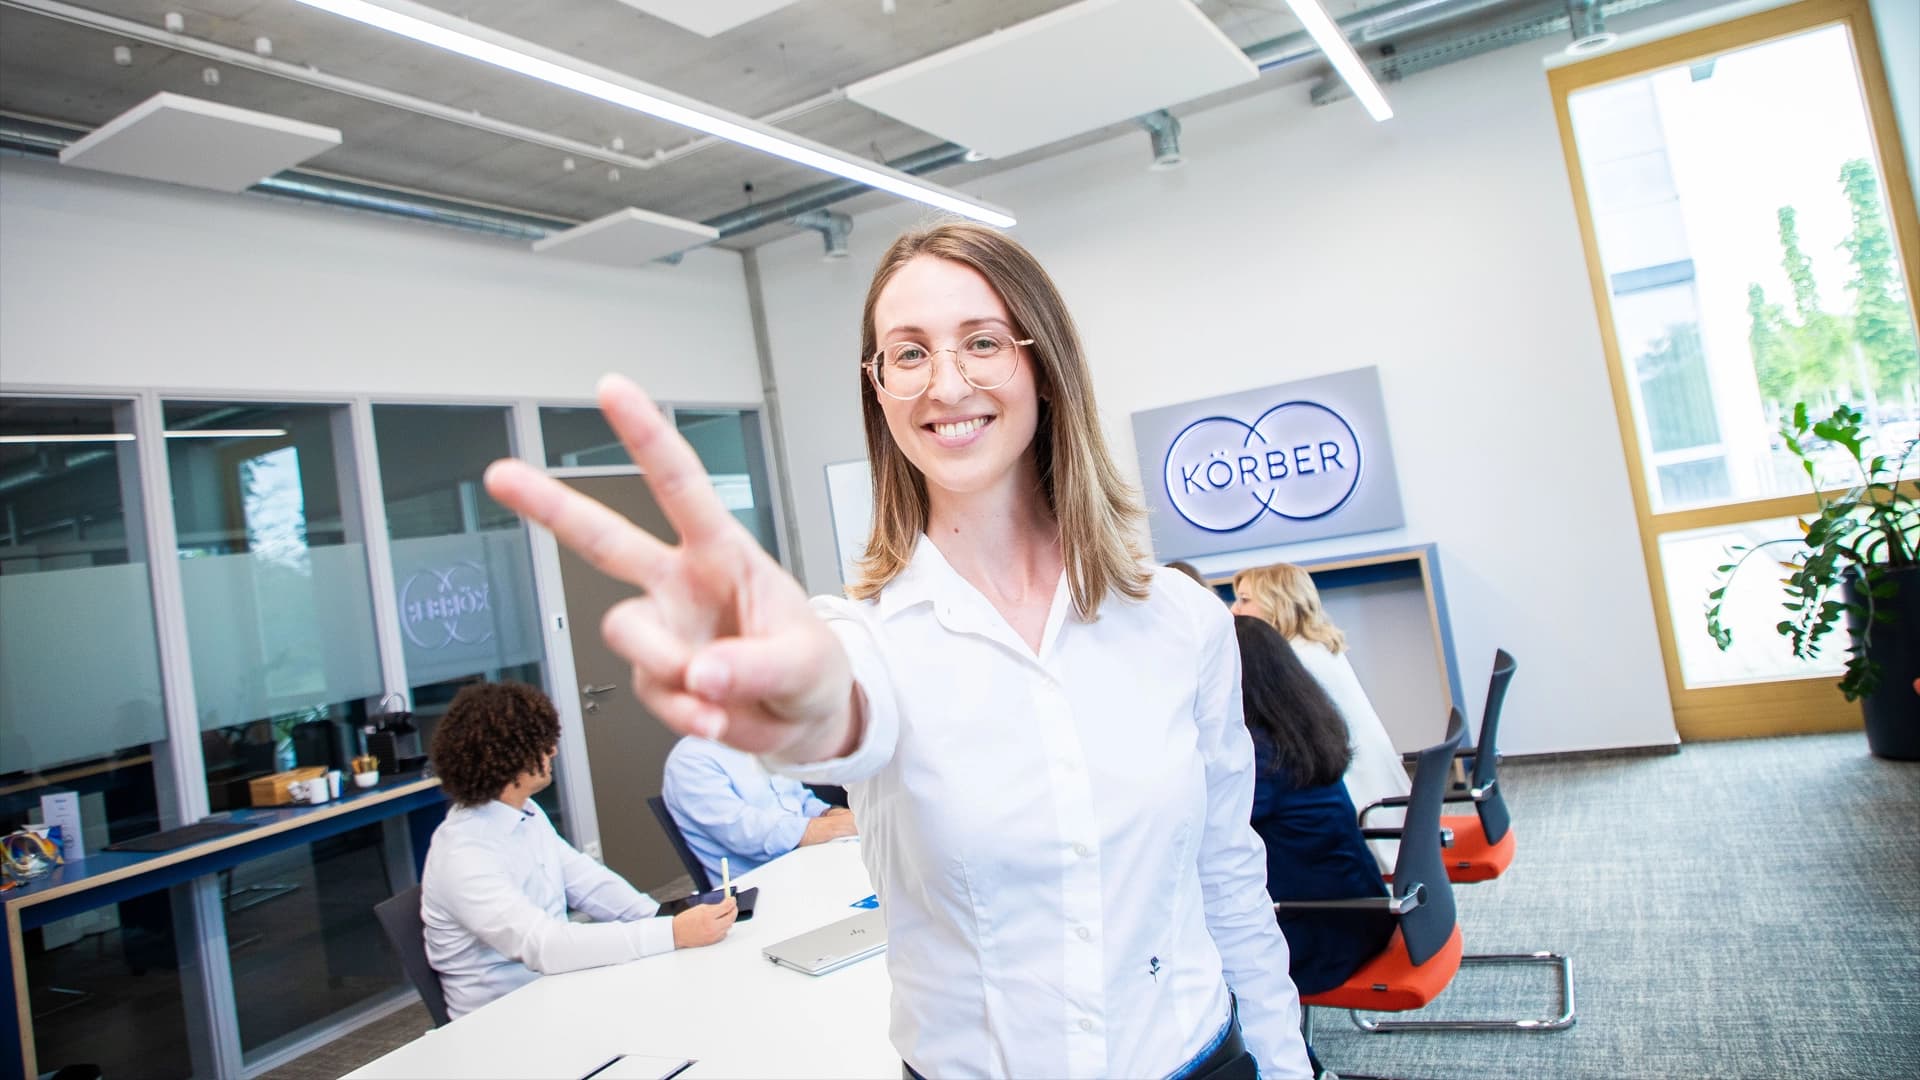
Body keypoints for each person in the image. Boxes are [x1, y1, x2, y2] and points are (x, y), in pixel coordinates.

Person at [485, 223, 1313, 1077]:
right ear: (878, 388)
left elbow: (1227, 878)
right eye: (907, 354)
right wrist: (794, 693)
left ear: (1044, 364)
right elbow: (841, 714)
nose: (945, 384)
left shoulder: (1179, 619)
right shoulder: (866, 638)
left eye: (982, 342)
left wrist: (1289, 1067)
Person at [419, 681, 736, 1019]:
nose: (552, 752)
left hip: (558, 991)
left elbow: (590, 884)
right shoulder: (464, 855)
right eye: (541, 744)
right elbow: (545, 945)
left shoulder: (526, 812)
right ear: (507, 759)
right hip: (505, 1022)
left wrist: (661, 918)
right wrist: (671, 933)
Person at [1235, 615, 1394, 995]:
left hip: (1325, 935)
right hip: (1360, 911)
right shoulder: (1304, 723)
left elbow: (1218, 829)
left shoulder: (1261, 754)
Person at [1231, 563, 1410, 868]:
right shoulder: (1319, 646)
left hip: (1361, 819)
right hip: (1386, 808)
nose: (1234, 610)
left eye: (1245, 600)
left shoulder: (1294, 663)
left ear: (1280, 603)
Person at [661, 735, 857, 881]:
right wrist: (841, 825)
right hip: (765, 887)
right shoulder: (690, 760)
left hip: (810, 865)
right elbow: (753, 836)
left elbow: (799, 801)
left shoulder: (759, 741)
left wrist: (831, 813)